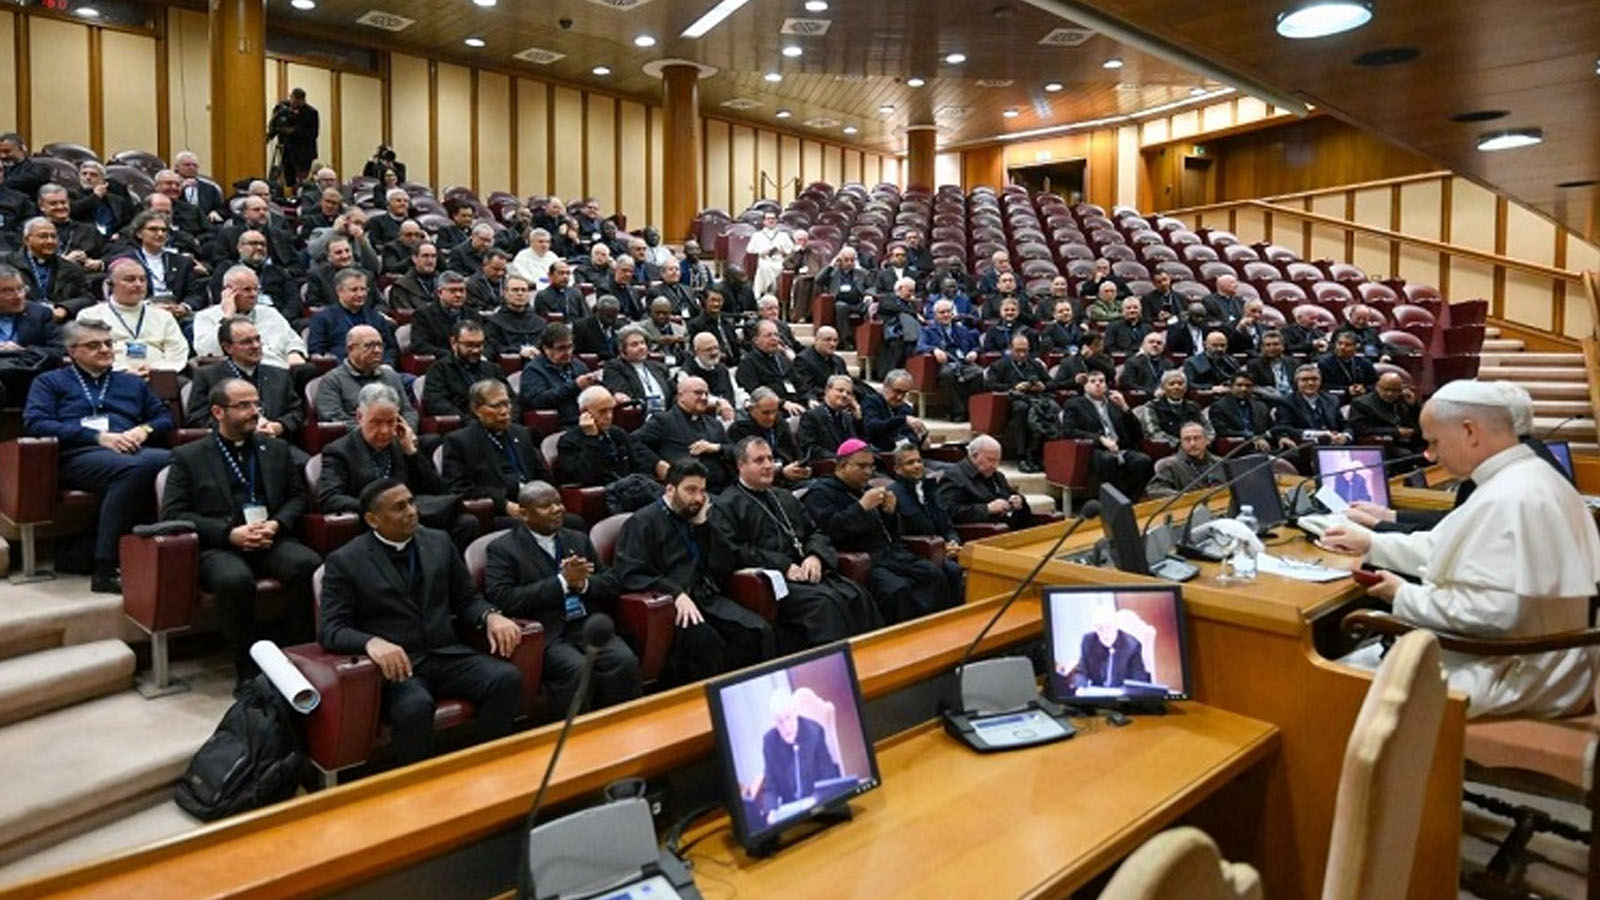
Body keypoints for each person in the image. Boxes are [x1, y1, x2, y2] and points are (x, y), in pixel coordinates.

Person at [1321, 379, 1600, 718]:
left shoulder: (1511, 497)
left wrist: (1401, 594)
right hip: (1548, 661)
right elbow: (1443, 544)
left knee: (1328, 688)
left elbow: (1487, 615)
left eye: (1434, 442)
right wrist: (1372, 543)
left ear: (1469, 431)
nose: (1430, 455)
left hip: (1512, 672)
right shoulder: (1529, 475)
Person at [318, 479, 524, 765]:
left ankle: (485, 765)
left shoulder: (439, 541)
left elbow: (466, 599)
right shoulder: (345, 560)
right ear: (373, 519)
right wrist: (371, 642)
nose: (412, 511)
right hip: (399, 668)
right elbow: (331, 629)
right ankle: (418, 783)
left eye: (411, 502)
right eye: (399, 507)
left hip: (445, 653)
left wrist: (490, 616)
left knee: (506, 679)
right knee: (415, 707)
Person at [163, 378, 320, 679]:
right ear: (218, 412)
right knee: (234, 581)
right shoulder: (189, 456)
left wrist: (276, 524)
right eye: (244, 405)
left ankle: (296, 655)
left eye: (257, 404)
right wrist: (228, 534)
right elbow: (175, 512)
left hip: (269, 537)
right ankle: (247, 669)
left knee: (307, 565)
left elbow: (297, 497)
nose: (255, 412)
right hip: (220, 544)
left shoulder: (276, 448)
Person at [22, 320, 171, 592]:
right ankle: (105, 567)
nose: (104, 349)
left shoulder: (130, 382)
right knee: (134, 469)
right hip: (78, 454)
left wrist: (143, 430)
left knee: (178, 461)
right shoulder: (50, 381)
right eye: (94, 345)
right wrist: (98, 437)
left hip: (133, 449)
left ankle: (164, 552)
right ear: (72, 351)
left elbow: (163, 417)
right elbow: (37, 423)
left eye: (108, 343)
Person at [709, 437, 882, 652]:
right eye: (759, 460)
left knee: (856, 594)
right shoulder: (726, 505)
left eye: (770, 458)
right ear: (740, 465)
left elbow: (815, 532)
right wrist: (783, 565)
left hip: (808, 573)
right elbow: (735, 551)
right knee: (824, 603)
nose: (768, 465)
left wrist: (815, 556)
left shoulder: (784, 497)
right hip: (775, 582)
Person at [613, 461, 777, 682]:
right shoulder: (642, 522)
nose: (699, 498)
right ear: (670, 489)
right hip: (671, 606)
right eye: (690, 490)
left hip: (706, 597)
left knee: (757, 631)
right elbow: (631, 573)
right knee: (707, 645)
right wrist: (676, 593)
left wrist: (702, 527)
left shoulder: (698, 517)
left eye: (702, 491)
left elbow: (723, 565)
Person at [484, 482, 640, 711]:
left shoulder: (577, 539)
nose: (558, 509)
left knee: (624, 661)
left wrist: (583, 583)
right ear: (524, 514)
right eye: (546, 506)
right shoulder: (503, 549)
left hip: (585, 624)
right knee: (576, 670)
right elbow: (504, 598)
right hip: (547, 632)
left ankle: (625, 725)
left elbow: (612, 581)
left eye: (558, 502)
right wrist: (562, 583)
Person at [802, 439, 958, 623]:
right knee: (897, 589)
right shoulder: (820, 493)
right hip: (863, 558)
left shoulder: (866, 489)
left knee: (934, 574)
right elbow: (828, 532)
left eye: (871, 466)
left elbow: (890, 532)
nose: (868, 472)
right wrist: (861, 507)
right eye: (862, 466)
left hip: (891, 554)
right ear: (842, 465)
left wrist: (889, 513)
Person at [319, 383, 478, 547]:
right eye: (376, 422)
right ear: (359, 417)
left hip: (410, 516)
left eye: (391, 422)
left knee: (466, 523)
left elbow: (438, 490)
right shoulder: (339, 451)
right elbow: (329, 498)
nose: (385, 430)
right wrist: (380, 508)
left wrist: (411, 452)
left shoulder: (400, 444)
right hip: (374, 522)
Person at [442, 379, 552, 531]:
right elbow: (459, 489)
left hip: (533, 505)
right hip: (496, 512)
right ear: (476, 409)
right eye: (496, 406)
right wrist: (503, 504)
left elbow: (542, 474)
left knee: (573, 522)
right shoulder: (459, 441)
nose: (504, 411)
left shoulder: (522, 433)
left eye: (507, 404)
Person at [186, 316, 304, 440]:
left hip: (274, 442)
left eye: (258, 339)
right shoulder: (208, 376)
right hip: (227, 443)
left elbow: (297, 412)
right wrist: (240, 429)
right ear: (227, 347)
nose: (256, 346)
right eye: (246, 342)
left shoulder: (280, 374)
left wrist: (279, 426)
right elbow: (197, 418)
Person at [76, 257, 190, 375]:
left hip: (158, 377)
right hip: (109, 376)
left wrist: (155, 370)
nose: (138, 284)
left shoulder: (163, 316)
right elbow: (89, 353)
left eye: (142, 279)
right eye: (130, 280)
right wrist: (123, 371)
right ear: (111, 284)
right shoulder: (91, 315)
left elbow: (177, 351)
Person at [555, 385, 660, 504]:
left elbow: (641, 466)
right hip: (604, 498)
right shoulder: (568, 442)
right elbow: (586, 476)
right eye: (603, 411)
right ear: (584, 412)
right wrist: (592, 439)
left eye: (611, 410)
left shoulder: (617, 433)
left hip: (631, 492)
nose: (609, 416)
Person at [1061, 371, 1155, 500]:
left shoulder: (1114, 403)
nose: (1098, 384)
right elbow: (1069, 432)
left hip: (1119, 448)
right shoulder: (1074, 404)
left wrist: (1124, 407)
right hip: (1093, 449)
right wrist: (1100, 439)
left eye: (1101, 381)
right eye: (1093, 381)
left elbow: (1137, 433)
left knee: (1143, 460)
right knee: (1109, 460)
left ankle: (1131, 500)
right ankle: (1114, 501)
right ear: (1085, 386)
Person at [755, 686, 843, 823]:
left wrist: (817, 800)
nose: (786, 727)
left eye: (788, 717)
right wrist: (771, 811)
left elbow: (828, 775)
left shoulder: (814, 732)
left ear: (795, 712)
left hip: (817, 807)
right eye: (779, 721)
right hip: (790, 814)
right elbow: (770, 786)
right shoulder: (769, 742)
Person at [636, 376, 738, 492]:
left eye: (706, 394)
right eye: (698, 393)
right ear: (681, 396)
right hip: (686, 489)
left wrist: (716, 448)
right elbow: (634, 442)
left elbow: (735, 449)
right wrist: (657, 464)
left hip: (723, 487)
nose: (704, 397)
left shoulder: (714, 424)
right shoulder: (664, 421)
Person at [193, 264, 306, 368]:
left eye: (256, 289)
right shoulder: (206, 317)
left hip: (281, 368)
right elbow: (206, 351)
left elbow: (293, 340)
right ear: (228, 291)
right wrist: (227, 317)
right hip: (238, 373)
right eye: (247, 290)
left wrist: (294, 353)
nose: (253, 294)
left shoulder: (270, 313)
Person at [886, 443, 965, 588]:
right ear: (898, 469)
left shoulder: (930, 489)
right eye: (910, 463)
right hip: (920, 556)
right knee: (953, 570)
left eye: (919, 461)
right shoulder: (893, 495)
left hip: (945, 551)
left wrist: (953, 541)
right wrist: (939, 550)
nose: (917, 466)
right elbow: (898, 539)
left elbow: (947, 526)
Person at [315, 325, 418, 429]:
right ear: (351, 349)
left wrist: (404, 430)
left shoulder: (390, 376)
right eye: (369, 346)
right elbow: (334, 419)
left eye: (380, 345)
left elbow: (408, 412)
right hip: (356, 436)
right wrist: (374, 431)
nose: (377, 350)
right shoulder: (332, 380)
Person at [985, 333, 1053, 471]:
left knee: (1050, 408)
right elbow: (990, 385)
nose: (1022, 355)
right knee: (1022, 408)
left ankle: (1040, 455)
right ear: (1011, 349)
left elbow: (1051, 383)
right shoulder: (1000, 365)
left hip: (1036, 399)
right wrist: (1013, 387)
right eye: (1018, 351)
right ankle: (1021, 455)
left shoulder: (1034, 364)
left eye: (1025, 351)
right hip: (1011, 402)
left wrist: (1042, 386)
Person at [937, 435, 1033, 532]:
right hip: (980, 533)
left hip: (1008, 529)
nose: (995, 466)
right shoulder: (954, 477)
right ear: (974, 456)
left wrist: (1018, 500)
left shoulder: (997, 476)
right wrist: (987, 509)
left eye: (998, 461)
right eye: (990, 460)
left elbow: (1009, 495)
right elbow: (949, 511)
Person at [306, 268, 399, 364]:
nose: (360, 294)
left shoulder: (376, 318)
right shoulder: (322, 318)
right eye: (354, 290)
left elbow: (390, 349)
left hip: (378, 368)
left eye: (363, 289)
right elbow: (318, 352)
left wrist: (386, 365)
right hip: (341, 369)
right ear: (339, 291)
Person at [0, 263, 63, 403]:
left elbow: (57, 351)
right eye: (8, 291)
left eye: (21, 289)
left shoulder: (40, 313)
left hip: (27, 378)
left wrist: (23, 351)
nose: (18, 296)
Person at [6, 217, 93, 318]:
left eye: (53, 236)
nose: (50, 241)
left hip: (59, 320)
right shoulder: (7, 265)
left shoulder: (71, 268)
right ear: (26, 240)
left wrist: (64, 309)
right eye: (43, 236)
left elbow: (88, 298)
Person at [519, 322, 602, 427]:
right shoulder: (533, 371)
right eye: (561, 348)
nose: (568, 352)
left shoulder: (578, 365)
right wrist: (574, 386)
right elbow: (539, 401)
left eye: (570, 347)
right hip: (560, 424)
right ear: (546, 348)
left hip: (587, 419)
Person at [726, 387, 811, 488]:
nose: (771, 417)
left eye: (774, 412)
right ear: (752, 410)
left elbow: (795, 451)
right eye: (766, 413)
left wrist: (801, 468)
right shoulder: (738, 430)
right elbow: (744, 470)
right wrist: (781, 472)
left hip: (789, 479)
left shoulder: (780, 423)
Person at [1054, 606, 1150, 696]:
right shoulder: (1088, 641)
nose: (1105, 633)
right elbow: (1081, 671)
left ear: (1116, 626)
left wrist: (1123, 692)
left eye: (1108, 627)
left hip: (1122, 697)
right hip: (1096, 696)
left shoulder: (1132, 646)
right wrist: (1081, 686)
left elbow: (1139, 680)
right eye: (1099, 628)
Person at [914, 298, 982, 422]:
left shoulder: (962, 330)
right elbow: (920, 347)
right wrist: (934, 350)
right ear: (935, 315)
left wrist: (974, 352)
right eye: (942, 312)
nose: (946, 315)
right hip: (944, 363)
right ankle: (957, 412)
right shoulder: (928, 330)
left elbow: (977, 346)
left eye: (948, 311)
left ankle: (969, 410)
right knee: (948, 374)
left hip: (963, 362)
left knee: (979, 373)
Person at [422, 320, 504, 419]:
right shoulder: (439, 369)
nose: (476, 350)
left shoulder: (492, 369)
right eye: (469, 345)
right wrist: (469, 420)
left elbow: (511, 399)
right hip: (462, 423)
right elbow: (436, 403)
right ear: (453, 343)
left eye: (480, 345)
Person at [1271, 365, 1351, 449]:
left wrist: (1345, 436)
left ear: (1320, 381)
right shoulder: (1287, 401)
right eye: (1304, 380)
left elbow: (1345, 425)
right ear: (1296, 382)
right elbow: (1284, 428)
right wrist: (1319, 434)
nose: (1310, 383)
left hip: (1334, 446)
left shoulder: (1332, 400)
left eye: (1314, 379)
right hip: (1305, 447)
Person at [737, 319, 807, 414]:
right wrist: (782, 403)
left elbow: (799, 384)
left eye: (776, 335)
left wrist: (809, 399)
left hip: (795, 403)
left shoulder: (783, 359)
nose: (774, 338)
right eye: (768, 335)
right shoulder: (748, 363)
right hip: (772, 410)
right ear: (756, 340)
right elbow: (755, 393)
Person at [601, 325, 674, 414]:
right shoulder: (615, 367)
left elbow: (674, 393)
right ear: (622, 350)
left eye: (642, 343)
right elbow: (624, 395)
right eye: (634, 344)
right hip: (640, 416)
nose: (641, 347)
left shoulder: (659, 367)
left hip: (667, 416)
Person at [1348, 371, 1424, 453]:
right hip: (1385, 445)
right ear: (1377, 387)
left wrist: (1413, 405)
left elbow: (1419, 423)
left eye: (1395, 390)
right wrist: (1395, 432)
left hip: (1412, 442)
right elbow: (1362, 429)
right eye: (1386, 389)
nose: (1390, 394)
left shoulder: (1403, 399)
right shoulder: (1361, 403)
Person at [1146, 422, 1227, 498]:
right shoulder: (1169, 465)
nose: (1192, 443)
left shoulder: (1220, 462)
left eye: (1197, 438)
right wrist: (1184, 497)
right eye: (1187, 439)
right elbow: (1155, 489)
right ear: (1181, 442)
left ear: (1207, 440)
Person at [1135, 370, 1210, 449]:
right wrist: (1181, 444)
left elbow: (1209, 430)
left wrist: (1205, 441)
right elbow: (1153, 433)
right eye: (1171, 384)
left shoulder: (1194, 406)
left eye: (1180, 384)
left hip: (1197, 447)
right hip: (1168, 450)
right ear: (1163, 387)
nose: (1176, 387)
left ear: (1186, 388)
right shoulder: (1151, 406)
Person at [797, 375, 865, 460]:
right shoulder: (811, 416)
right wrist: (839, 458)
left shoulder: (848, 418)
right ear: (827, 390)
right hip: (827, 464)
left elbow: (861, 444)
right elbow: (809, 449)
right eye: (840, 390)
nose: (844, 395)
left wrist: (858, 419)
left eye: (849, 393)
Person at [1205, 372, 1274, 453]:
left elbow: (1272, 427)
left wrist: (1281, 437)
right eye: (1239, 385)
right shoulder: (1219, 407)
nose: (1243, 389)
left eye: (1248, 386)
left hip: (1264, 447)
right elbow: (1222, 431)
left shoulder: (1261, 406)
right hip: (1236, 449)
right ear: (1231, 387)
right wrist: (1250, 437)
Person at [861, 369, 928, 452]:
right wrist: (902, 420)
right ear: (885, 387)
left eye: (904, 393)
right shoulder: (872, 401)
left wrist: (922, 439)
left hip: (904, 454)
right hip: (880, 453)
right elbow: (872, 427)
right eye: (897, 391)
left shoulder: (906, 409)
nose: (900, 397)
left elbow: (910, 436)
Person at [483, 274, 547, 360]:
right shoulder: (494, 322)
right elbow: (493, 349)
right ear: (505, 294)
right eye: (515, 290)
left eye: (524, 290)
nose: (520, 293)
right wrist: (519, 350)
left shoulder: (540, 322)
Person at [271, 88, 320, 191]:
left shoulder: (311, 113)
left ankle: (300, 193)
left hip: (303, 153)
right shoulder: (284, 109)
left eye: (295, 101)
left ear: (302, 100)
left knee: (301, 180)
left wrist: (293, 131)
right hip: (287, 149)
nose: (292, 103)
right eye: (291, 99)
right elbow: (276, 123)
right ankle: (290, 193)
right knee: (288, 179)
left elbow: (313, 134)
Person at [1316, 330, 1379, 396]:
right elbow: (1324, 387)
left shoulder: (1364, 362)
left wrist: (1365, 389)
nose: (1342, 347)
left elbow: (1375, 383)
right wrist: (1347, 390)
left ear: (1356, 347)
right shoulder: (1325, 362)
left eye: (1348, 345)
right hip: (1337, 397)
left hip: (1362, 396)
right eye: (1340, 343)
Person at [746, 211, 793, 298]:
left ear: (776, 221)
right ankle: (766, 292)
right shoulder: (757, 235)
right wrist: (762, 252)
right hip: (764, 260)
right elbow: (750, 250)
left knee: (780, 268)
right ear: (764, 221)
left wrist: (783, 251)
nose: (771, 221)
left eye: (773, 219)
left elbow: (792, 252)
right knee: (764, 267)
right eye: (768, 219)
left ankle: (771, 290)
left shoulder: (784, 235)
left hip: (780, 261)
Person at [1245, 330, 1298, 398]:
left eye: (1275, 344)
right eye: (1268, 345)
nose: (1272, 348)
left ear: (1283, 346)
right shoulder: (1254, 364)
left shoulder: (1293, 362)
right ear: (1262, 348)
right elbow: (1252, 386)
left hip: (1293, 399)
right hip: (1269, 399)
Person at [1115, 330, 1171, 395]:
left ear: (1163, 348)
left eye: (1159, 343)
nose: (1155, 345)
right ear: (1143, 345)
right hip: (1142, 397)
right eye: (1151, 342)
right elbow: (1128, 384)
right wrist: (1152, 392)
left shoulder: (1168, 364)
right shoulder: (1133, 362)